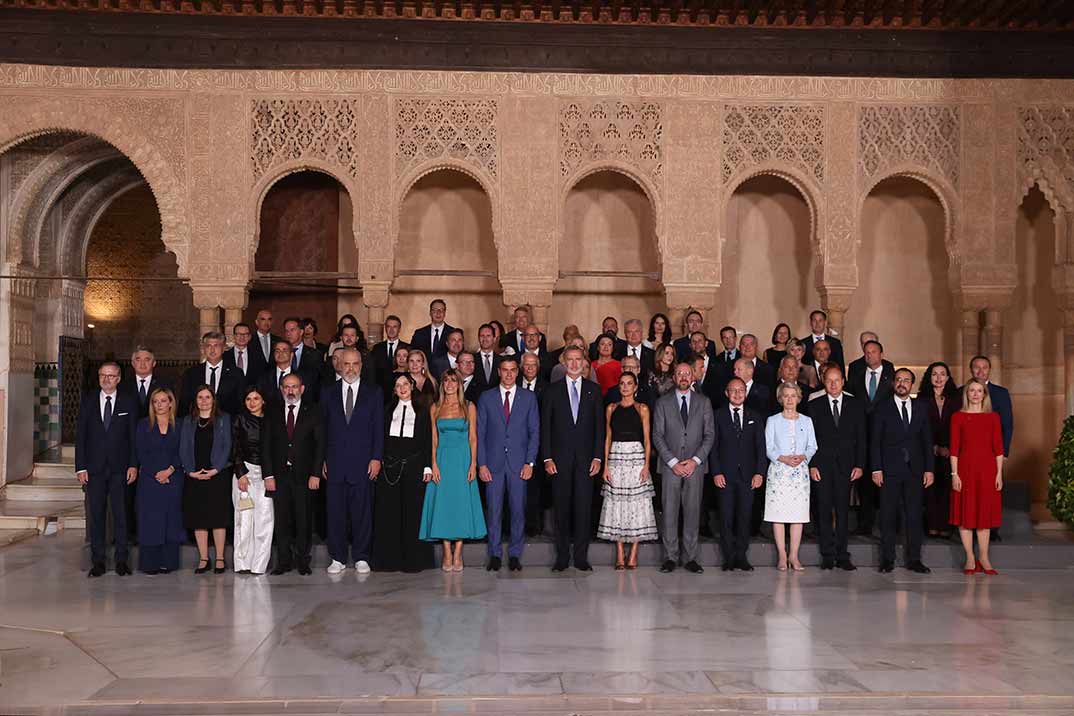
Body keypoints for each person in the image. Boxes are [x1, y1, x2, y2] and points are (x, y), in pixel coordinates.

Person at [542, 346, 605, 571]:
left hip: (587, 461)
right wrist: (547, 458)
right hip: (559, 461)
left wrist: (598, 457)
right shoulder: (552, 391)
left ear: (584, 362)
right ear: (564, 362)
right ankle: (561, 557)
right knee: (561, 509)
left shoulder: (594, 390)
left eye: (579, 359)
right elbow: (546, 428)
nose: (575, 363)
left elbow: (600, 428)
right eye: (571, 359)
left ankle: (580, 557)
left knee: (583, 509)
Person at [322, 348, 383, 575]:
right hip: (335, 463)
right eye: (346, 364)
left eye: (355, 364)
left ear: (361, 365)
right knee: (335, 512)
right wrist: (322, 460)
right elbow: (323, 430)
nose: (350, 368)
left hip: (363, 462)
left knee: (362, 512)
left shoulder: (374, 392)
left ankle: (361, 556)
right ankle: (337, 557)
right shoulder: (328, 392)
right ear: (339, 365)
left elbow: (378, 428)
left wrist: (377, 457)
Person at [477, 356, 539, 572]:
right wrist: (481, 464)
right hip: (492, 464)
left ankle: (514, 554)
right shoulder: (486, 398)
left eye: (513, 370)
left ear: (518, 372)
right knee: (493, 511)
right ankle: (494, 554)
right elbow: (480, 434)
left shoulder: (529, 398)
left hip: (518, 464)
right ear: (499, 372)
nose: (509, 374)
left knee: (517, 510)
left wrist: (530, 462)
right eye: (505, 370)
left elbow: (534, 432)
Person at [76, 362, 138, 577]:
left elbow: (132, 437)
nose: (106, 379)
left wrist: (133, 464)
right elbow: (81, 436)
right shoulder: (88, 401)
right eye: (103, 375)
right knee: (97, 516)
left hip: (121, 468)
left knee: (121, 515)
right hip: (94, 469)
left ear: (119, 378)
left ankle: (121, 560)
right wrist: (80, 467)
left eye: (111, 376)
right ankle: (98, 562)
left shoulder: (129, 401)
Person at [653, 362, 715, 574]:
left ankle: (690, 558)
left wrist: (695, 460)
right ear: (674, 376)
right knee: (669, 512)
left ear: (693, 377)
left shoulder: (704, 402)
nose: (684, 377)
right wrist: (672, 462)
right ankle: (670, 557)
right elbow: (657, 436)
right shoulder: (662, 402)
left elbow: (709, 436)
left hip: (695, 467)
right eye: (679, 373)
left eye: (687, 373)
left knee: (692, 511)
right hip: (670, 466)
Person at [870, 368, 934, 574]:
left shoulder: (921, 407)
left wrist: (929, 470)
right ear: (893, 383)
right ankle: (887, 560)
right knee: (888, 516)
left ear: (912, 384)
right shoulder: (882, 408)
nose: (902, 383)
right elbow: (875, 442)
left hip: (915, 470)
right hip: (889, 469)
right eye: (898, 380)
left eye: (906, 380)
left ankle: (914, 559)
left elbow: (926, 441)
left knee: (914, 516)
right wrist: (876, 468)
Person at [420, 370, 487, 570]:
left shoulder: (469, 407)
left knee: (460, 504)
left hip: (462, 459)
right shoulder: (435, 407)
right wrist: (434, 464)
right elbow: (433, 439)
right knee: (444, 505)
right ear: (442, 384)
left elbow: (473, 438)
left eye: (453, 380)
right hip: (442, 459)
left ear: (459, 384)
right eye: (446, 380)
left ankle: (458, 553)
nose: (450, 384)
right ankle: (446, 553)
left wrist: (473, 464)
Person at [808, 365, 867, 571]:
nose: (833, 384)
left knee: (843, 512)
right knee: (824, 511)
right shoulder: (814, 406)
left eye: (837, 380)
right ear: (824, 381)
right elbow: (809, 439)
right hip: (821, 466)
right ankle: (827, 555)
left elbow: (861, 438)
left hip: (847, 466)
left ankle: (843, 555)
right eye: (829, 380)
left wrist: (860, 464)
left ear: (843, 381)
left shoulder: (855, 405)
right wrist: (812, 465)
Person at [265, 373, 324, 575]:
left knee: (303, 519)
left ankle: (302, 560)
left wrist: (316, 474)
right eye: (287, 387)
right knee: (282, 520)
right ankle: (283, 561)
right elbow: (266, 446)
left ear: (302, 389)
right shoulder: (272, 412)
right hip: (279, 476)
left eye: (294, 386)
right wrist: (268, 475)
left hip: (304, 475)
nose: (291, 390)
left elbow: (320, 445)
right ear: (281, 389)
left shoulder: (313, 411)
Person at [597, 371, 657, 569]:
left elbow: (648, 440)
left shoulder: (643, 409)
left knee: (637, 504)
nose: (625, 387)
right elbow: (607, 438)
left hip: (636, 458)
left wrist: (646, 465)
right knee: (617, 505)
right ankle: (620, 554)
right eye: (622, 383)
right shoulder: (611, 408)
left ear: (635, 387)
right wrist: (605, 464)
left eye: (629, 383)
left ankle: (634, 554)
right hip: (615, 458)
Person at [375, 373, 435, 573]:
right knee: (390, 514)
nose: (402, 388)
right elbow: (380, 439)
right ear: (394, 389)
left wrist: (428, 466)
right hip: (390, 469)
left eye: (405, 384)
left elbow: (428, 441)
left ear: (412, 386)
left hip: (415, 467)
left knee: (413, 514)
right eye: (397, 385)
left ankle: (414, 561)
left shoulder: (423, 411)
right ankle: (389, 561)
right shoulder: (386, 410)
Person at [709, 377, 766, 571]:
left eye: (741, 390)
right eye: (733, 390)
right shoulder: (717, 416)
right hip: (725, 475)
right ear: (726, 393)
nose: (737, 394)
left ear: (746, 392)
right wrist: (716, 472)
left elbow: (761, 447)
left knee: (745, 516)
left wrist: (760, 473)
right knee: (725, 517)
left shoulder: (755, 416)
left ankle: (741, 556)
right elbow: (713, 448)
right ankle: (728, 557)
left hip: (748, 476)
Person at [950, 378, 1005, 575]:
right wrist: (954, 474)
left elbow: (998, 448)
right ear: (966, 394)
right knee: (966, 515)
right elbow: (954, 449)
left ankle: (984, 556)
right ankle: (970, 558)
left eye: (979, 391)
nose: (975, 394)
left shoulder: (993, 418)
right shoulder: (958, 417)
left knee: (984, 516)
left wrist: (999, 474)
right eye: (971, 390)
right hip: (964, 470)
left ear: (984, 395)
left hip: (988, 471)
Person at [763, 382, 817, 571]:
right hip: (779, 471)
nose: (789, 399)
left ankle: (794, 556)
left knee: (798, 515)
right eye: (785, 396)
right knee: (778, 514)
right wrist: (783, 458)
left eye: (793, 396)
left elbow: (813, 446)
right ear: (780, 399)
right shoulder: (773, 420)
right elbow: (768, 447)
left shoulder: (807, 421)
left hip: (799, 473)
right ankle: (782, 555)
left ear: (799, 398)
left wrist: (803, 456)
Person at [179, 385, 233, 575]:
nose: (203, 401)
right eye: (200, 397)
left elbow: (227, 445)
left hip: (217, 475)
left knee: (218, 517)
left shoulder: (223, 419)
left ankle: (219, 558)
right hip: (194, 475)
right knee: (199, 517)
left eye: (207, 397)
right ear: (195, 400)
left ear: (213, 399)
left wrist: (215, 469)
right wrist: (189, 470)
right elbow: (183, 447)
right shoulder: (188, 421)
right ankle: (203, 558)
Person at [122, 345, 172, 543]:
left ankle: (159, 533)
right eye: (138, 359)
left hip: (160, 447)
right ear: (133, 363)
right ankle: (133, 533)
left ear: (154, 363)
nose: (143, 363)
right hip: (129, 447)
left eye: (147, 359)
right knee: (131, 493)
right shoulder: (123, 386)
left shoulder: (166, 385)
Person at [133, 387, 184, 575]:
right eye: (156, 401)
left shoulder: (180, 425)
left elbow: (183, 451)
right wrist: (157, 473)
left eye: (163, 401)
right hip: (149, 479)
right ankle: (150, 564)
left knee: (171, 520)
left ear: (171, 403)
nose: (159, 405)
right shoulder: (143, 424)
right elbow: (140, 451)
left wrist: (169, 471)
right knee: (150, 520)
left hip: (174, 478)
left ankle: (168, 562)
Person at [847, 339, 894, 535]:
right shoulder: (857, 376)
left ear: (881, 354)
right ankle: (864, 524)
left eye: (873, 352)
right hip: (863, 438)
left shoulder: (892, 377)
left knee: (887, 484)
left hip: (887, 439)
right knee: (864, 484)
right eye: (866, 352)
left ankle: (889, 525)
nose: (869, 355)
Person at [231, 385, 275, 575]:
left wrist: (270, 475)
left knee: (264, 519)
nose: (252, 402)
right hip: (244, 474)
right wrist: (241, 473)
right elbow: (235, 448)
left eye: (256, 398)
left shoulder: (272, 421)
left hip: (266, 475)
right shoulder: (240, 419)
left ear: (263, 400)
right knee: (244, 520)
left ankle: (259, 565)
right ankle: (242, 563)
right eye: (248, 399)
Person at [919, 361, 961, 537]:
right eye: (934, 374)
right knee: (930, 489)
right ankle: (932, 525)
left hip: (951, 452)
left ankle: (945, 526)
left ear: (948, 377)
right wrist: (933, 447)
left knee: (947, 489)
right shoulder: (921, 400)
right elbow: (918, 428)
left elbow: (960, 427)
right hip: (927, 451)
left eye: (942, 374)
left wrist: (949, 449)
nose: (938, 378)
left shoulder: (957, 400)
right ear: (929, 377)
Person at [179, 331, 245, 417]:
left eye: (216, 345)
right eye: (208, 346)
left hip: (228, 424)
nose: (212, 350)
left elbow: (241, 403)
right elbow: (184, 403)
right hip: (198, 423)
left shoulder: (236, 373)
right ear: (203, 349)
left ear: (224, 348)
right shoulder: (191, 373)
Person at [968, 356, 1013, 459]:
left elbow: (1007, 425)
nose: (981, 371)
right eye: (977, 367)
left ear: (989, 370)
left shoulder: (1001, 393)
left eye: (984, 367)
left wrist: (1004, 452)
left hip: (992, 451)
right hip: (966, 451)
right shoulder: (959, 392)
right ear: (971, 369)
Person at [283, 317, 321, 399]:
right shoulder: (279, 354)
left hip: (308, 401)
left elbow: (318, 382)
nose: (288, 334)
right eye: (286, 331)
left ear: (301, 332)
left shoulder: (315, 355)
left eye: (292, 330)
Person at [370, 314, 410, 391]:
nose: (391, 330)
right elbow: (373, 371)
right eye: (389, 326)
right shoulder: (377, 348)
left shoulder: (407, 348)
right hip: (381, 390)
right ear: (385, 328)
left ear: (399, 329)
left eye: (395, 327)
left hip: (402, 389)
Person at [251, 309, 281, 374]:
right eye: (263, 319)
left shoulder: (278, 341)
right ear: (256, 322)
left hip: (273, 379)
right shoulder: (249, 340)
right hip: (254, 381)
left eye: (269, 319)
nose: (266, 322)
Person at [475, 323, 502, 389]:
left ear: (494, 338)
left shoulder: (501, 360)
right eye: (482, 336)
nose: (485, 339)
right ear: (478, 338)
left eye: (488, 336)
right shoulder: (472, 359)